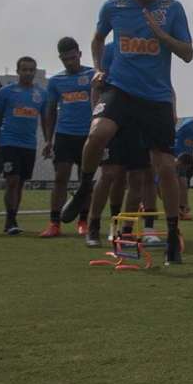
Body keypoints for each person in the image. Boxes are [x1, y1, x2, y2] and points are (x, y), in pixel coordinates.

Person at [76, 0, 193, 264]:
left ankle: (170, 238)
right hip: (121, 90)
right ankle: (83, 191)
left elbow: (188, 54)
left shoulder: (172, 9)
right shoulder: (114, 7)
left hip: (155, 98)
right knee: (98, 135)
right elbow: (98, 38)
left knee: (164, 168)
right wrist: (100, 68)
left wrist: (162, 36)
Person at [84, 40, 154, 247]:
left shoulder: (150, 47)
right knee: (108, 175)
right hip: (115, 117)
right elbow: (97, 85)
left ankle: (126, 231)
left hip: (140, 119)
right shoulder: (111, 49)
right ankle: (93, 226)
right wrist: (97, 114)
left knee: (137, 178)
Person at [0, 56, 50, 235]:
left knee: (20, 182)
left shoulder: (41, 94)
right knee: (12, 180)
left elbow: (45, 120)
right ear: (18, 71)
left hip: (28, 144)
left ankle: (13, 217)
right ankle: (10, 220)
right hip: (8, 141)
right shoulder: (5, 92)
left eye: (31, 70)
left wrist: (48, 141)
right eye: (24, 69)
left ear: (35, 72)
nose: (28, 73)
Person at [41, 37, 96, 237]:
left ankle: (83, 221)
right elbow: (50, 111)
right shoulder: (56, 81)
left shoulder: (93, 75)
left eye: (73, 58)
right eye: (66, 60)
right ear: (60, 58)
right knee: (60, 178)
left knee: (85, 181)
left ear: (80, 54)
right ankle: (54, 223)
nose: (70, 62)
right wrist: (48, 139)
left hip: (88, 135)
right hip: (65, 135)